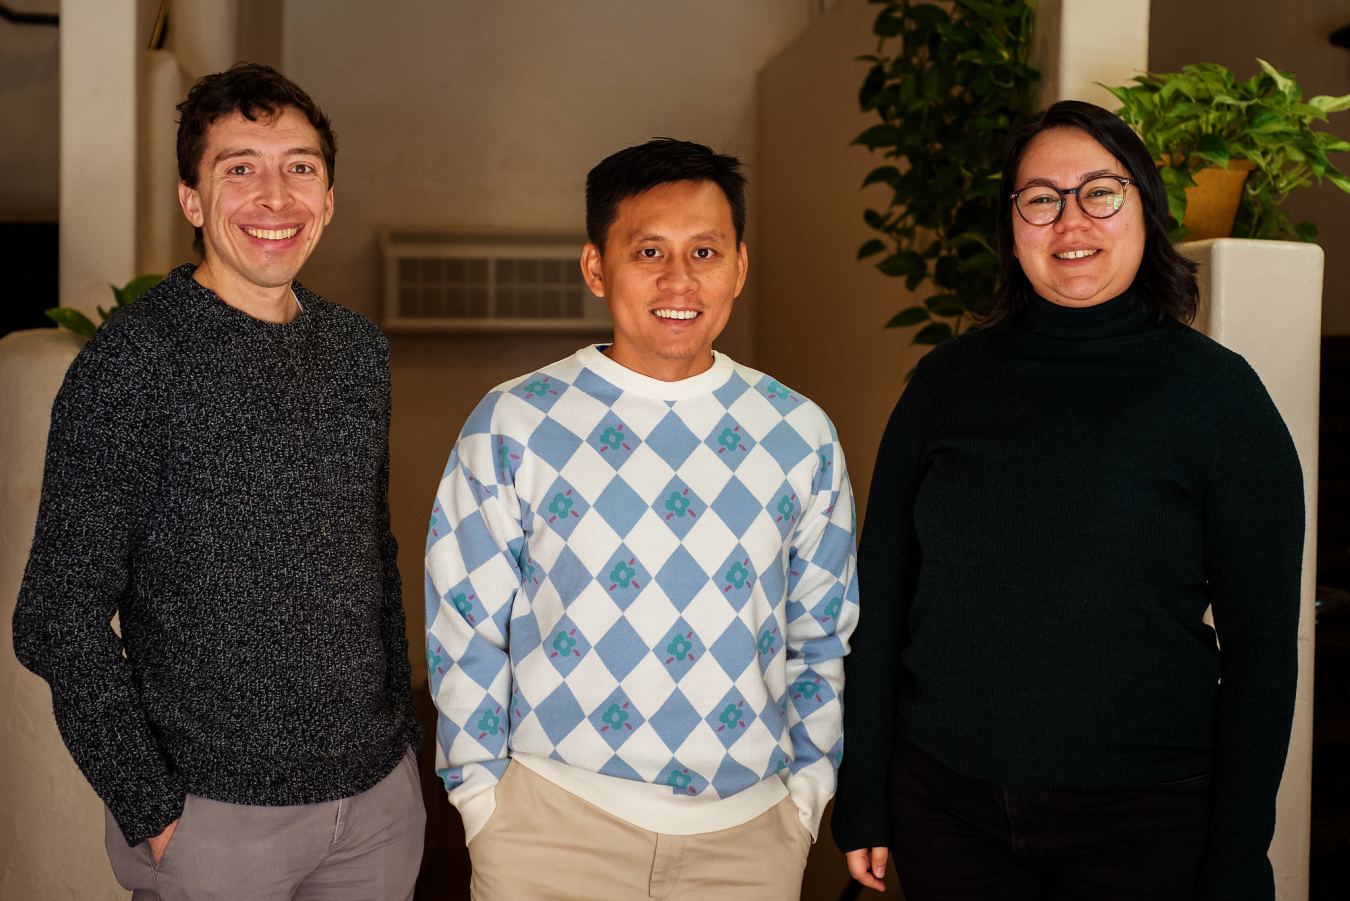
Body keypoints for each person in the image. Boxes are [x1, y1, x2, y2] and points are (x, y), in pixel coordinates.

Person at [832, 100, 1303, 901]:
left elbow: (1264, 653)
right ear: (1013, 225)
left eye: (1100, 191)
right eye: (1040, 197)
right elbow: (878, 605)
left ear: (1146, 210)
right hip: (948, 813)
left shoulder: (1221, 400)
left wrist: (1237, 850)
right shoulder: (946, 384)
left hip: (1148, 826)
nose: (1069, 219)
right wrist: (865, 793)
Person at [12, 63, 424, 901]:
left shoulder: (356, 351)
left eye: (300, 167)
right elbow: (55, 614)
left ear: (330, 194)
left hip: (375, 803)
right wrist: (154, 808)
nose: (276, 197)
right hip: (217, 822)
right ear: (193, 200)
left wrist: (404, 739)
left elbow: (369, 551)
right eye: (240, 168)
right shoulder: (133, 363)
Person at [425, 138, 858, 900]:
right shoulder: (515, 421)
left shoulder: (800, 433)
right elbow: (465, 623)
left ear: (740, 267)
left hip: (749, 838)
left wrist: (804, 800)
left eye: (704, 251)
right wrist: (482, 801)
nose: (678, 278)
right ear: (597, 266)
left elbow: (819, 634)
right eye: (649, 250)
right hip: (551, 830)